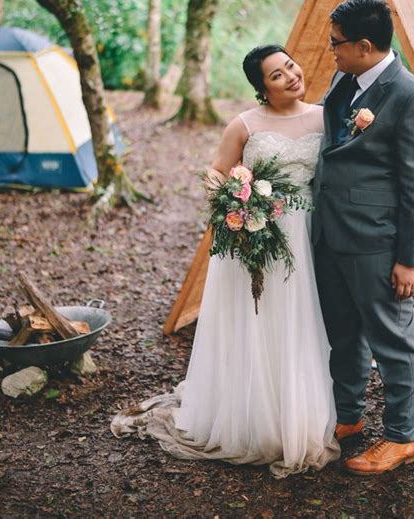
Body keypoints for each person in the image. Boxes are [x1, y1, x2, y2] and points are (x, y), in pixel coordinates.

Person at [112, 44, 340, 478]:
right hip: (254, 235)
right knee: (254, 321)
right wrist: (236, 198)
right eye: (277, 75)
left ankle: (296, 417)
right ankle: (250, 420)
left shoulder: (323, 116)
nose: (291, 76)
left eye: (290, 66)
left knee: (297, 321)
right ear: (261, 88)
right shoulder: (245, 125)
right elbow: (216, 171)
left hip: (305, 236)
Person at [312, 0, 414, 475]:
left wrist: (411, 259)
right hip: (329, 234)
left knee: (393, 341)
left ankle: (401, 437)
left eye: (337, 44)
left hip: (377, 242)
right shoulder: (342, 80)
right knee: (342, 335)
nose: (332, 51)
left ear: (365, 45)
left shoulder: (413, 96)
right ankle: (348, 418)